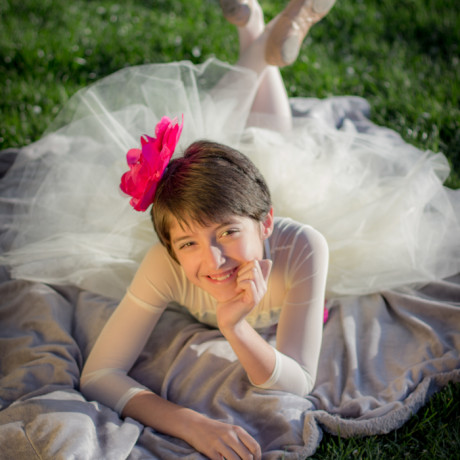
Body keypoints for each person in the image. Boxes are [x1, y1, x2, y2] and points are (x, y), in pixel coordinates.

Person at [1, 0, 460, 457]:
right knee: (255, 138)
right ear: (171, 247)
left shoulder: (304, 247)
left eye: (226, 234)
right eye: (188, 244)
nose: (212, 260)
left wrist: (236, 328)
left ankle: (256, 41)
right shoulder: (166, 263)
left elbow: (297, 380)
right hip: (222, 210)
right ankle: (256, 39)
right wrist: (188, 422)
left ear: (267, 225)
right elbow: (99, 374)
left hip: (264, 212)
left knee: (278, 147)